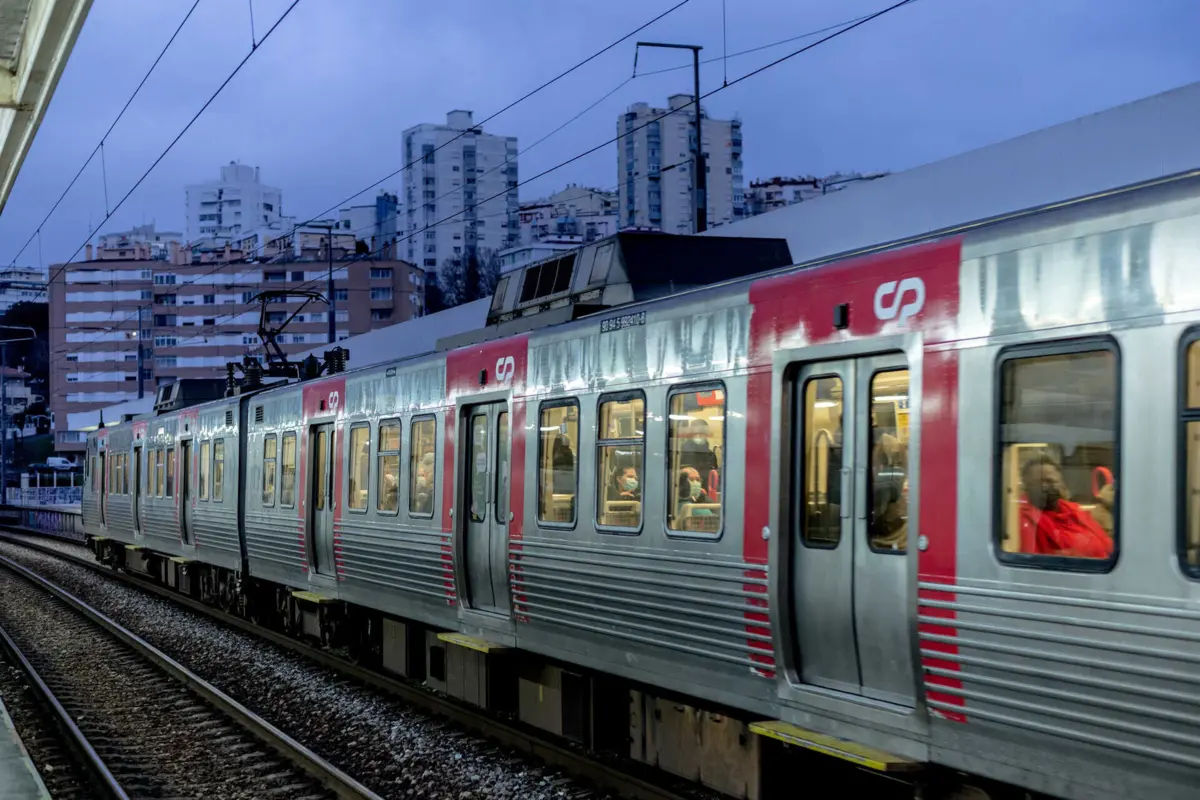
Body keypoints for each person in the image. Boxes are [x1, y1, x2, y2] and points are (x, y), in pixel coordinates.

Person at [1020, 453, 1113, 558]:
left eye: (1050, 481)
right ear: (1026, 486)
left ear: (1060, 483)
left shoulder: (1074, 510)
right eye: (1037, 482)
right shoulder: (1024, 520)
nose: (1044, 486)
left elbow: (1104, 541)